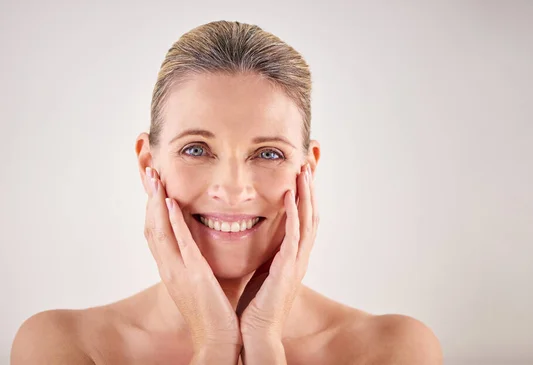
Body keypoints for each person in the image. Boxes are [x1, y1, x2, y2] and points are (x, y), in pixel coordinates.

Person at [10, 20, 442, 365]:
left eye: (268, 153)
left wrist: (265, 342)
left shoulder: (393, 351)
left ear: (306, 170)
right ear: (148, 164)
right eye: (197, 149)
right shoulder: (63, 347)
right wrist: (214, 344)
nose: (233, 190)